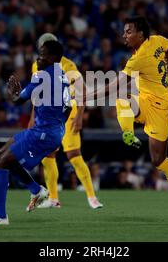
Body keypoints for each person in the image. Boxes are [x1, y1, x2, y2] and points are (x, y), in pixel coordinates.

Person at [85, 16, 168, 222]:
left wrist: (86, 97)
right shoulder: (157, 40)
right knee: (123, 98)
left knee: (158, 160)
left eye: (128, 31)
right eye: (124, 31)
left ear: (140, 34)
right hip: (146, 101)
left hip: (161, 108)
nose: (124, 35)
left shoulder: (139, 58)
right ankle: (128, 134)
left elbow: (114, 85)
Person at [0, 40, 71, 226]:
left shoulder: (42, 75)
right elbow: (67, 109)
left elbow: (18, 100)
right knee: (0, 156)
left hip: (43, 132)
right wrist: (56, 127)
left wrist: (12, 93)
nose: (38, 57)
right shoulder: (62, 76)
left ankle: (0, 216)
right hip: (49, 130)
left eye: (42, 54)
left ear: (52, 58)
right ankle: (36, 190)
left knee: (2, 163)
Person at [31, 33, 103, 209]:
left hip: (68, 114)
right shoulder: (37, 66)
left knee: (75, 156)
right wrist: (33, 118)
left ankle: (92, 197)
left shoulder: (68, 65)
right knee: (48, 157)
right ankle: (54, 198)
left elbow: (82, 92)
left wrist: (79, 117)